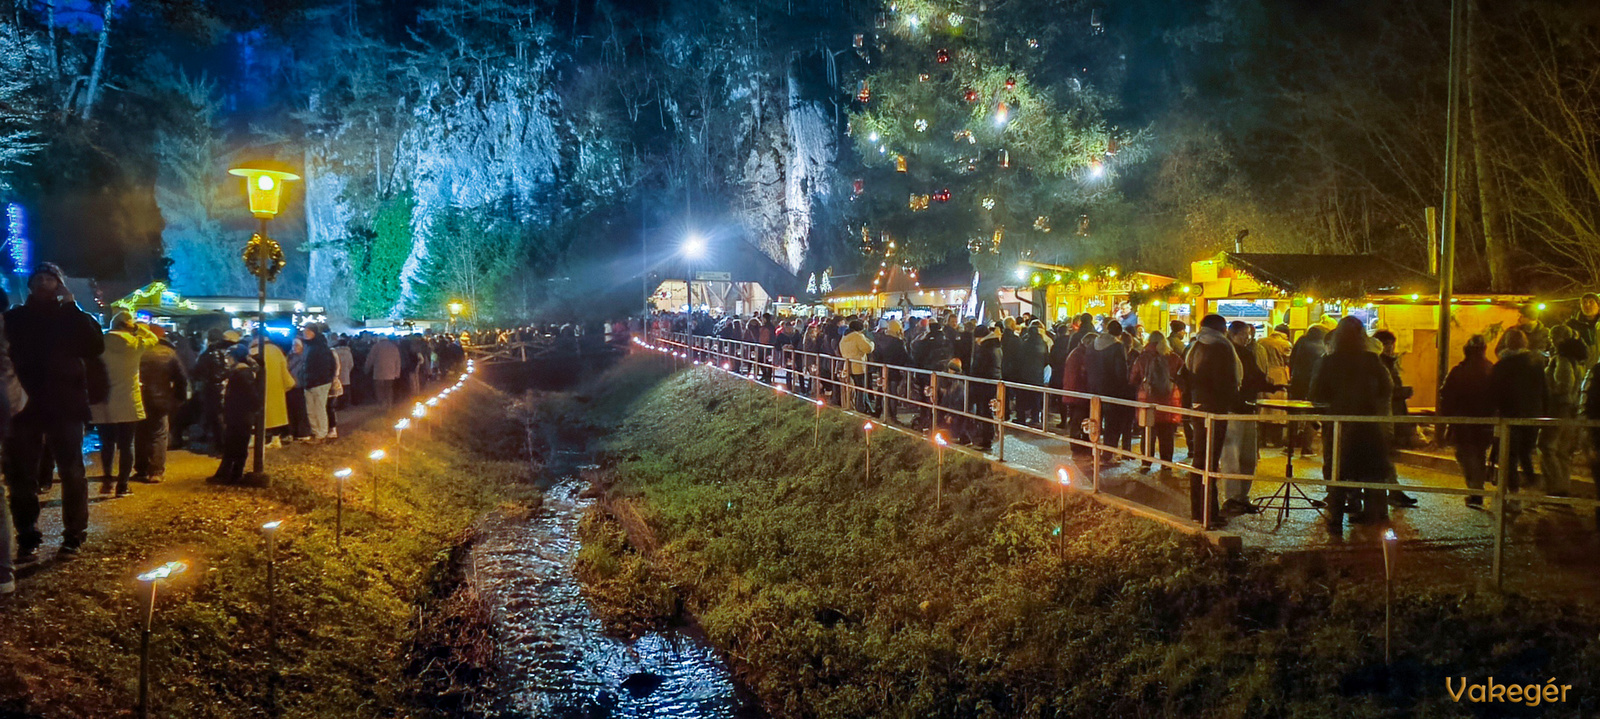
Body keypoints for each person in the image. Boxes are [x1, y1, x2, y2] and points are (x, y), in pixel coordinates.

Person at [4, 264, 105, 560]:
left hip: (65, 404)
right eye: (39, 279)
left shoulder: (71, 317)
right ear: (31, 284)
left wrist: (72, 305)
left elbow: (94, 346)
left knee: (72, 471)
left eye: (51, 279)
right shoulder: (15, 318)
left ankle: (73, 535)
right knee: (21, 474)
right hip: (25, 406)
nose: (44, 284)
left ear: (60, 285)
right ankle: (27, 535)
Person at [1309, 316, 1394, 534]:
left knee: (1337, 469)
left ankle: (1335, 517)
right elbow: (1386, 387)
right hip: (1367, 423)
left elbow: (1316, 393)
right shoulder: (1372, 360)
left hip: (1339, 424)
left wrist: (1328, 410)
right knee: (1372, 471)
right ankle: (1376, 517)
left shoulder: (1328, 361)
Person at [90, 313, 158, 497]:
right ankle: (123, 485)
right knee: (127, 445)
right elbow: (153, 337)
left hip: (103, 400)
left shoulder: (99, 342)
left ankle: (106, 479)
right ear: (128, 326)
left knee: (107, 443)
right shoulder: (135, 344)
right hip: (128, 400)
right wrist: (138, 328)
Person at [1182, 314, 1239, 528]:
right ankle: (1209, 513)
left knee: (1200, 459)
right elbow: (1225, 381)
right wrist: (1236, 404)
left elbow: (1184, 377)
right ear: (1221, 328)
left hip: (1198, 406)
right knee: (1210, 460)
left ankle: (1199, 511)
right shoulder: (1220, 347)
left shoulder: (1194, 345)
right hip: (1215, 408)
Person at [1220, 321, 1273, 516]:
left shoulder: (1247, 353)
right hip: (1234, 409)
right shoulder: (1228, 353)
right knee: (1232, 455)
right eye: (1243, 334)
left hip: (1248, 408)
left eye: (1248, 334)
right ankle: (1232, 497)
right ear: (1232, 334)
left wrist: (1270, 385)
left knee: (1248, 456)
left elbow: (1256, 376)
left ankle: (1243, 496)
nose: (1247, 337)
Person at [1439, 335, 1496, 509]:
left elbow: (1447, 395)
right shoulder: (1490, 369)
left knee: (1466, 456)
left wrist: (1445, 421)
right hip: (1485, 422)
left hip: (1463, 423)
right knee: (1478, 455)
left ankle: (1475, 490)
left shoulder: (1460, 371)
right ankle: (1476, 489)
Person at [1490, 328, 1547, 500]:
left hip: (1510, 415)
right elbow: (1544, 390)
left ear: (1507, 344)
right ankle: (1532, 483)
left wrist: (1495, 412)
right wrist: (1544, 411)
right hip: (1532, 415)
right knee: (1525, 451)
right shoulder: (1535, 364)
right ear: (1525, 343)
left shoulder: (1501, 366)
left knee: (1510, 456)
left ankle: (1513, 491)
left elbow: (1495, 393)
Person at [134, 325, 189, 484]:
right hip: (161, 400)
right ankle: (156, 471)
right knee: (159, 434)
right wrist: (179, 398)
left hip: (138, 397)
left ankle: (142, 469)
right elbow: (181, 379)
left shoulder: (137, 351)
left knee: (140, 434)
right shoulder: (169, 353)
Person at [1538, 330, 1586, 497]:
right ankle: (1563, 485)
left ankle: (1556, 485)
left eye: (1553, 337)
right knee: (1563, 451)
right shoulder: (1576, 362)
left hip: (1559, 409)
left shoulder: (1561, 361)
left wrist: (1547, 392)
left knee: (1546, 446)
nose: (1550, 340)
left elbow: (1563, 385)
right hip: (1571, 410)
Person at [1131, 331, 1182, 475]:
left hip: (1147, 401)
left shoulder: (1142, 357)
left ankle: (1146, 463)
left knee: (1148, 433)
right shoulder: (1173, 357)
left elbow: (1133, 378)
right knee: (1167, 434)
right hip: (1169, 401)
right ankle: (1166, 464)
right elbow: (1184, 376)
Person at [210, 344, 260, 485]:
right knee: (233, 445)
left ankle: (234, 474)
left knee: (237, 446)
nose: (227, 360)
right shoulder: (240, 372)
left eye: (229, 357)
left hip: (241, 415)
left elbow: (251, 396)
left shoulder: (242, 373)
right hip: (238, 415)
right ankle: (228, 474)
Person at [1087, 320, 1133, 462]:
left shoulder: (1092, 345)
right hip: (1112, 390)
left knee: (1095, 420)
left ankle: (1092, 449)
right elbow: (1120, 371)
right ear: (1119, 334)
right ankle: (1107, 453)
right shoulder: (1117, 347)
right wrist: (1124, 386)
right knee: (1112, 423)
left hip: (1094, 388)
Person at [1287, 325, 1328, 456]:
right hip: (1312, 385)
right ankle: (1307, 448)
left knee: (1293, 415)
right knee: (1311, 415)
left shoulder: (1301, 342)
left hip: (1297, 382)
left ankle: (1290, 447)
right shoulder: (1322, 346)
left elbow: (1291, 361)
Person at [1255, 324, 1293, 446]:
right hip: (1279, 376)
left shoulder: (1261, 341)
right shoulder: (1285, 344)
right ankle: (1276, 440)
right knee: (1278, 410)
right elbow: (1288, 361)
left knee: (1263, 408)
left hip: (1263, 375)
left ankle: (1262, 439)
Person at [298, 326, 337, 440]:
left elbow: (328, 366)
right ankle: (315, 432)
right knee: (311, 410)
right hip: (309, 382)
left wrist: (324, 379)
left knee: (319, 409)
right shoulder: (308, 347)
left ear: (314, 332)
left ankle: (322, 434)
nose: (306, 333)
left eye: (308, 331)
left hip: (320, 382)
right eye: (305, 331)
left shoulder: (320, 348)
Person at [968, 325, 1002, 452]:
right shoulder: (996, 345)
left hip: (984, 384)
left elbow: (978, 368)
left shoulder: (985, 348)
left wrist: (972, 379)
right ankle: (987, 437)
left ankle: (986, 440)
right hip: (992, 382)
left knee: (985, 411)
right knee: (988, 410)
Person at [839, 319, 875, 414]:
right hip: (858, 365)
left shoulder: (844, 337)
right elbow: (867, 348)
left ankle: (865, 406)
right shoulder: (857, 336)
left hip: (847, 365)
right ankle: (861, 408)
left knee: (854, 387)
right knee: (861, 388)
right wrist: (872, 343)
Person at [365, 335, 402, 406]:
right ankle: (389, 403)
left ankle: (382, 403)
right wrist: (397, 373)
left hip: (379, 372)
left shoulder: (376, 346)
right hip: (391, 372)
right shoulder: (393, 347)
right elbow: (398, 360)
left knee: (379, 389)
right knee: (389, 389)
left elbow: (370, 359)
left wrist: (366, 368)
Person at [1567, 292, 1600, 363]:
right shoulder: (1572, 325)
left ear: (1598, 305)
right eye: (1584, 302)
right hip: (1581, 369)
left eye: (1591, 302)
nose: (1587, 305)